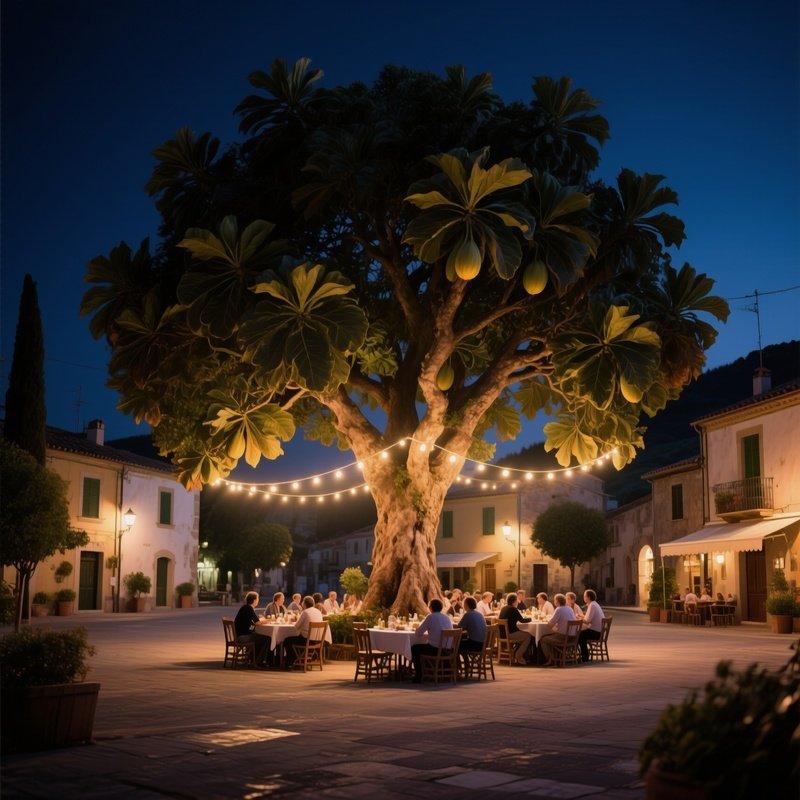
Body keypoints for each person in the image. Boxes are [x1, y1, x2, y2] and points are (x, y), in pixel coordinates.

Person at [410, 598, 454, 683]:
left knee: (414, 648)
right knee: (423, 646)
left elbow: (418, 633)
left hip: (435, 649)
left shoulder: (431, 617)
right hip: (447, 649)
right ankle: (429, 670)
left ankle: (419, 675)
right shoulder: (446, 617)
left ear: (430, 608)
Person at [282, 596, 324, 667]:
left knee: (287, 640)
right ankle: (300, 660)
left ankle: (291, 662)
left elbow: (296, 626)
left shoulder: (305, 612)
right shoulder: (318, 612)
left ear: (304, 604)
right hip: (317, 641)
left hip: (306, 640)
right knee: (296, 638)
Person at [539, 593, 577, 665]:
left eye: (554, 600)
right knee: (552, 635)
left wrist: (546, 621)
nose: (554, 602)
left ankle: (550, 659)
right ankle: (557, 656)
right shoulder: (569, 608)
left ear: (557, 601)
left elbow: (550, 624)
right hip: (573, 637)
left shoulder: (559, 609)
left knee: (543, 639)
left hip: (563, 637)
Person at [233, 591, 267, 666]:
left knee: (258, 637)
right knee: (266, 639)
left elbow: (251, 622)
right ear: (254, 600)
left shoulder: (245, 607)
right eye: (258, 599)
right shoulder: (249, 608)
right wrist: (268, 621)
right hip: (242, 637)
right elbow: (257, 622)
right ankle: (258, 661)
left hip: (240, 634)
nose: (258, 601)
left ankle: (253, 659)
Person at [498, 592, 532, 665]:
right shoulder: (513, 609)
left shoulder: (504, 608)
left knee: (523, 634)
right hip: (510, 634)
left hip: (502, 634)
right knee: (528, 636)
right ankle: (518, 655)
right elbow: (522, 620)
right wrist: (531, 619)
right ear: (514, 601)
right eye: (517, 600)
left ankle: (518, 654)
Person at [578, 589, 606, 663]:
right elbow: (588, 618)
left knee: (579, 635)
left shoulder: (592, 605)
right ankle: (583, 655)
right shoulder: (594, 604)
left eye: (585, 596)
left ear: (589, 597)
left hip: (596, 633)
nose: (584, 597)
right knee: (581, 634)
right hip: (598, 631)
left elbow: (587, 621)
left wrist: (579, 619)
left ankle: (585, 656)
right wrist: (582, 617)